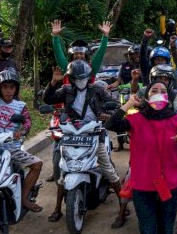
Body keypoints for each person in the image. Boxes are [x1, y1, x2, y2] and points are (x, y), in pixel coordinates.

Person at [43, 60, 125, 226]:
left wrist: (107, 114)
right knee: (63, 170)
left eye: (83, 78)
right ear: (71, 78)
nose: (80, 81)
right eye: (76, 78)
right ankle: (58, 208)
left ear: (89, 78)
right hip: (72, 134)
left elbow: (116, 105)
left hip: (95, 133)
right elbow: (48, 99)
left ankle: (123, 207)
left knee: (108, 169)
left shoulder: (98, 90)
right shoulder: (65, 90)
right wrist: (53, 82)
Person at [105, 82, 177, 234]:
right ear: (146, 97)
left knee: (166, 228)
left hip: (169, 185)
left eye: (163, 91)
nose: (159, 93)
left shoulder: (176, 120)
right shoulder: (135, 120)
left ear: (168, 98)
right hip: (142, 186)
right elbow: (111, 124)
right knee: (148, 229)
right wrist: (129, 103)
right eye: (154, 90)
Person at [0, 70, 43, 212]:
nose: (8, 91)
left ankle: (23, 199)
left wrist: (22, 131)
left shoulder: (20, 106)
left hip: (11, 149)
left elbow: (27, 123)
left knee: (37, 164)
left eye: (12, 87)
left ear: (16, 89)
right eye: (5, 87)